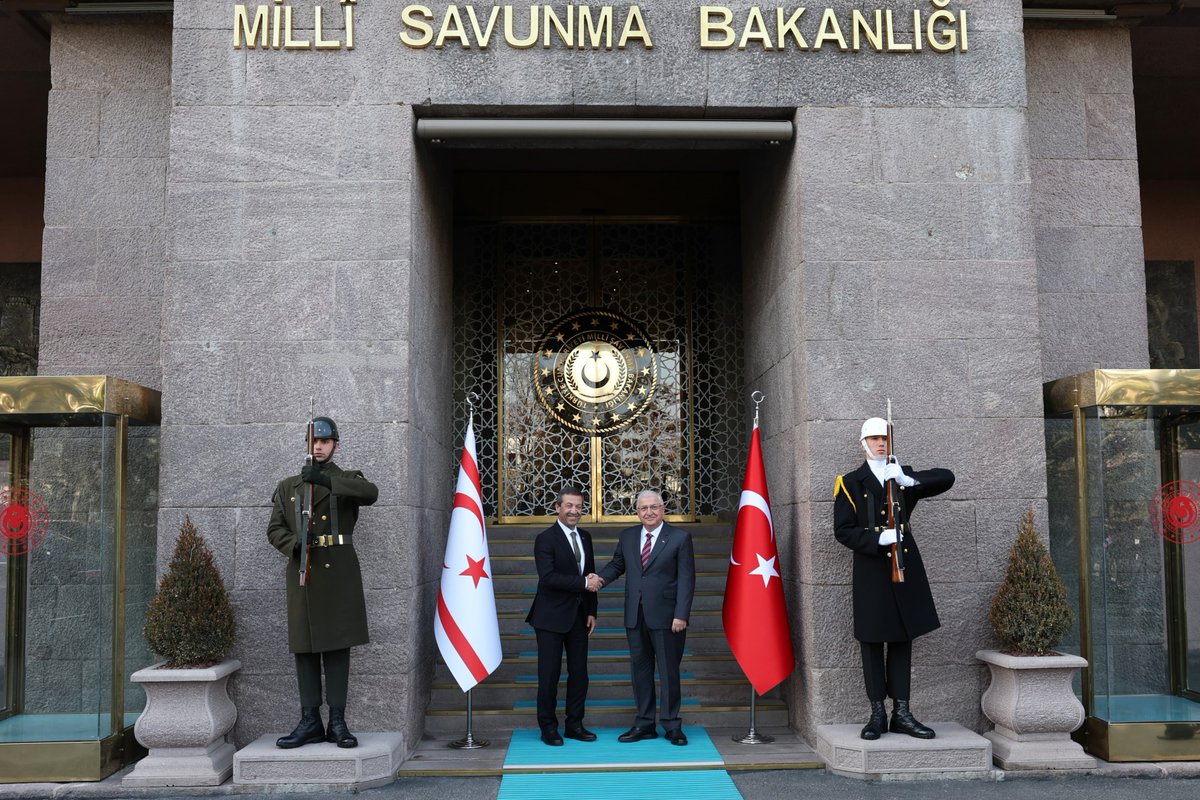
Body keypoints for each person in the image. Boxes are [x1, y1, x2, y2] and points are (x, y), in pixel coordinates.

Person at [834, 416, 954, 741]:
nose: (880, 443)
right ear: (862, 444)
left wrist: (906, 478)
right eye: (873, 439)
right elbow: (842, 530)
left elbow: (947, 478)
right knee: (872, 641)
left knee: (902, 639)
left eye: (884, 438)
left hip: (904, 569)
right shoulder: (849, 482)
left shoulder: (899, 477)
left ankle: (902, 712)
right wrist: (876, 541)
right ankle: (877, 714)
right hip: (872, 572)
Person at [267, 416, 379, 749]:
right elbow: (274, 529)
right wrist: (293, 544)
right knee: (304, 649)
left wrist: (328, 482)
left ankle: (338, 722)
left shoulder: (347, 479)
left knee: (337, 649)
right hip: (304, 571)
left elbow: (370, 493)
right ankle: (310, 721)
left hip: (337, 571)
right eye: (314, 441)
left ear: (335, 446)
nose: (318, 446)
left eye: (325, 442)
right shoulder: (289, 486)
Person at [593, 489, 695, 746]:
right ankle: (645, 723)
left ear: (663, 509)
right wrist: (599, 579)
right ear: (637, 512)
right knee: (641, 671)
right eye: (643, 508)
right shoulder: (627, 537)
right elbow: (618, 565)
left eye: (654, 507)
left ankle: (672, 725)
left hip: (668, 617)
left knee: (669, 672)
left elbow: (686, 579)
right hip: (635, 616)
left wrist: (681, 614)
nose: (649, 512)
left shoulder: (680, 537)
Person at [526, 485, 599, 746]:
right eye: (569, 505)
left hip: (579, 617)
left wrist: (592, 610)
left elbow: (589, 573)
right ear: (557, 507)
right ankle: (548, 727)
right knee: (550, 675)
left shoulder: (586, 537)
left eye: (578, 506)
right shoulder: (545, 539)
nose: (574, 511)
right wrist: (583, 584)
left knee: (580, 673)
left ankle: (574, 725)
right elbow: (549, 577)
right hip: (550, 618)